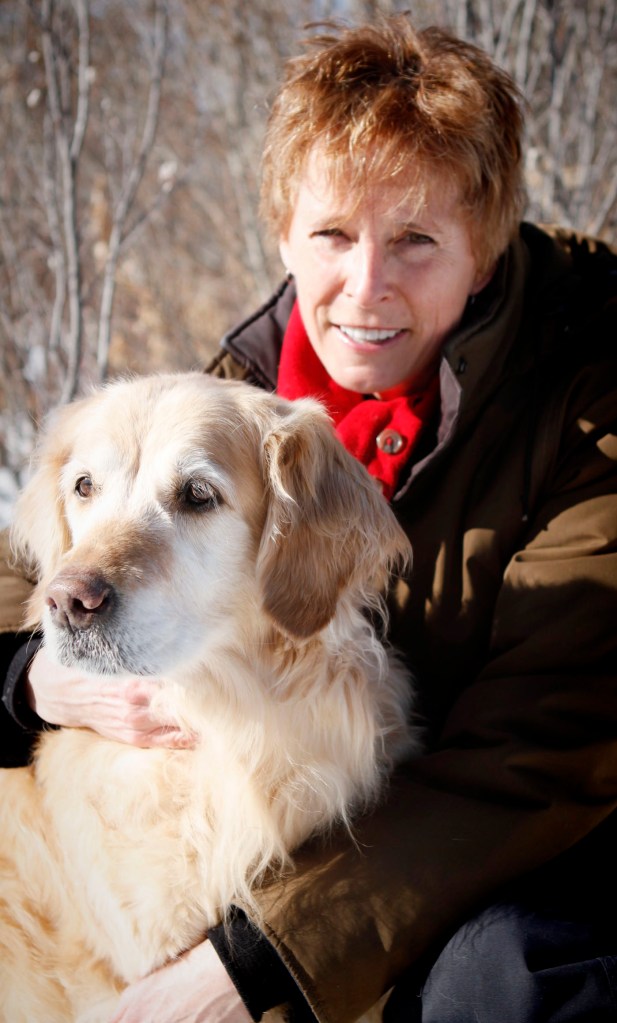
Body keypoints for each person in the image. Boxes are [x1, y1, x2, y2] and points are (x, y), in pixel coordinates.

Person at [1, 13, 616, 1023]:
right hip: (376, 850)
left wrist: (245, 967)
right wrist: (35, 681)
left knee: (492, 981)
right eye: (331, 236)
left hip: (540, 845)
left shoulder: (590, 402)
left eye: (414, 240)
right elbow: (35, 573)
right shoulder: (245, 395)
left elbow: (542, 753)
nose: (363, 289)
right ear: (285, 235)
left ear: (484, 245)